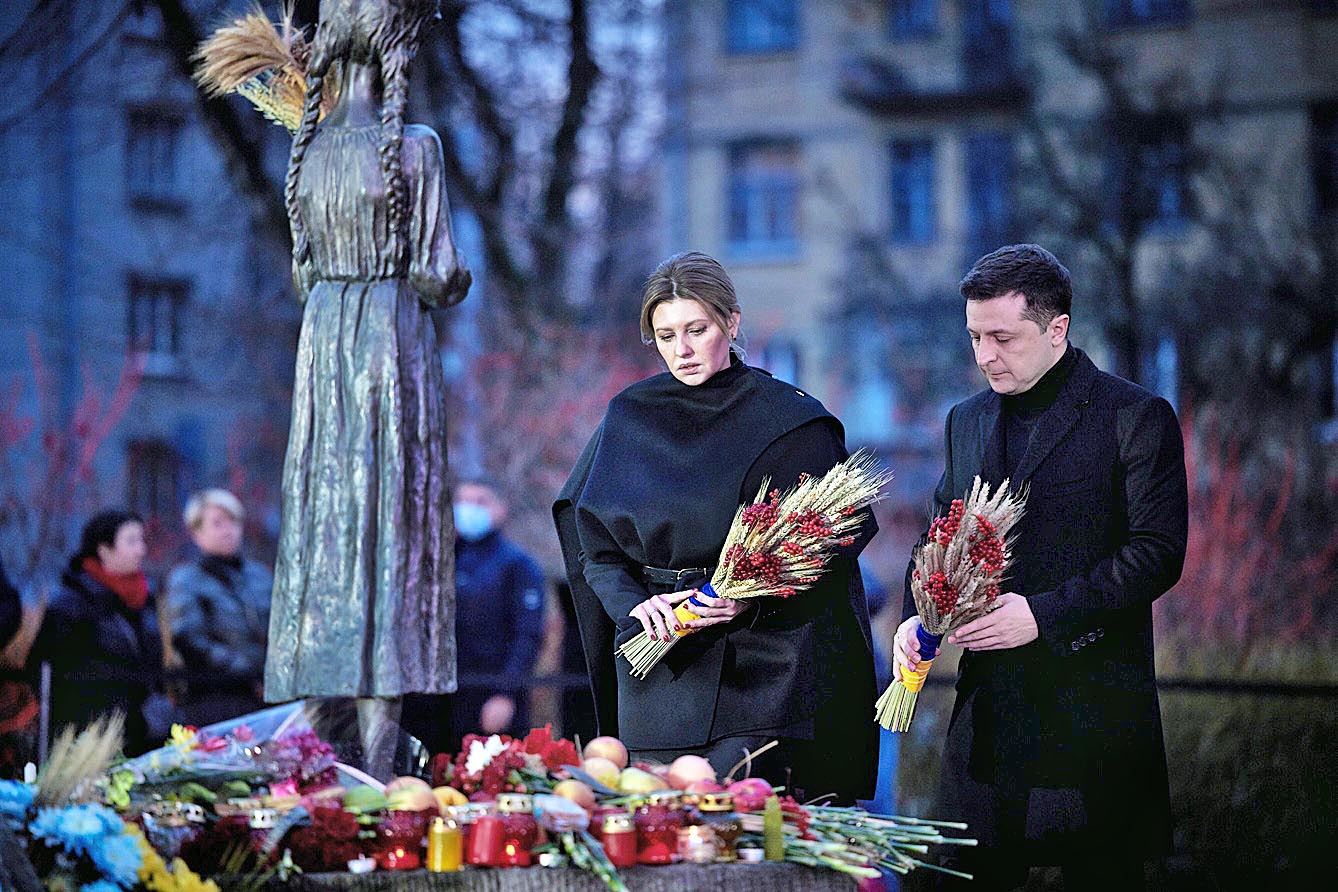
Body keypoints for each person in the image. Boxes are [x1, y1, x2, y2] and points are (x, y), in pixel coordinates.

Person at [893, 245, 1187, 890]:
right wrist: (918, 615)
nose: (985, 356)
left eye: (1003, 337)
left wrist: (1043, 616)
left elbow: (1158, 553)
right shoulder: (964, 420)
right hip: (988, 711)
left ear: (1057, 329)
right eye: (974, 337)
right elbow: (940, 532)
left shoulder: (1134, 415)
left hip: (1095, 710)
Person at [554, 252, 879, 802]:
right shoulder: (629, 416)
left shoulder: (789, 419)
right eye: (664, 335)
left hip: (762, 672)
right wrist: (635, 607)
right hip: (655, 672)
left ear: (731, 322)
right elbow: (596, 548)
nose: (680, 350)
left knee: (740, 836)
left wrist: (753, 601)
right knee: (658, 841)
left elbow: (835, 543)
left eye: (696, 330)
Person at [264, 0, 470, 774]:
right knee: (389, 530)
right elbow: (438, 272)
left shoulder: (307, 150)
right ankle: (379, 771)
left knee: (327, 529)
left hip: (323, 352)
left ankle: (317, 759)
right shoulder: (415, 147)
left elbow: (303, 270)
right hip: (389, 345)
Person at [31, 510, 163, 754]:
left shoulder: (144, 599)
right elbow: (43, 669)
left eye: (141, 540)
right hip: (86, 736)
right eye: (131, 541)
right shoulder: (70, 603)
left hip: (138, 729)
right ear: (104, 550)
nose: (141, 550)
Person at [166, 490, 273, 727]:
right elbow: (188, 638)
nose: (228, 530)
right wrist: (246, 674)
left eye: (233, 521)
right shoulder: (187, 579)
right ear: (196, 532)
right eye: (217, 523)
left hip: (269, 697)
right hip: (216, 698)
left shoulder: (260, 576)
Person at [451, 479, 546, 743]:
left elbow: (528, 636)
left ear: (500, 508)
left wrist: (505, 694)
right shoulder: (445, 558)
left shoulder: (518, 565)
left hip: (494, 698)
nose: (469, 509)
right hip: (446, 700)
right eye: (463, 501)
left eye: (480, 501)